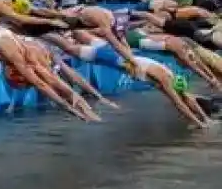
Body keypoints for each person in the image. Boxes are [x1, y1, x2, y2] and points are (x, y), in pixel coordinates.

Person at [43, 30, 212, 128]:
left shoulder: (169, 74)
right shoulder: (165, 81)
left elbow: (187, 98)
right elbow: (179, 104)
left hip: (117, 53)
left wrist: (205, 118)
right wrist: (199, 124)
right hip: (110, 58)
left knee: (82, 36)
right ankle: (42, 33)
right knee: (69, 48)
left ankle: (59, 29)